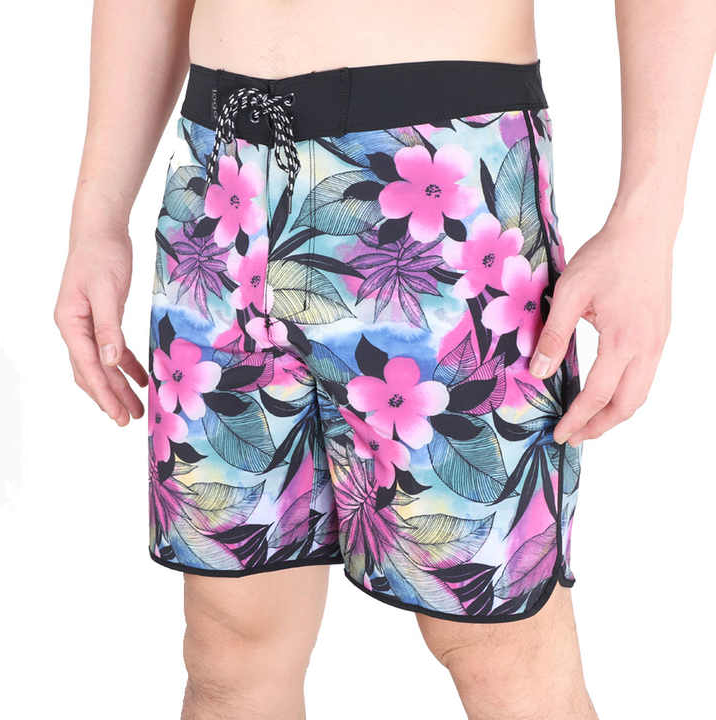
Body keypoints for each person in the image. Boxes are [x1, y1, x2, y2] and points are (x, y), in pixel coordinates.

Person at [54, 1, 715, 718]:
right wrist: (98, 218)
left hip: (439, 192)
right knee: (228, 648)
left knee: (502, 653)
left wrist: (647, 227)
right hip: (215, 194)